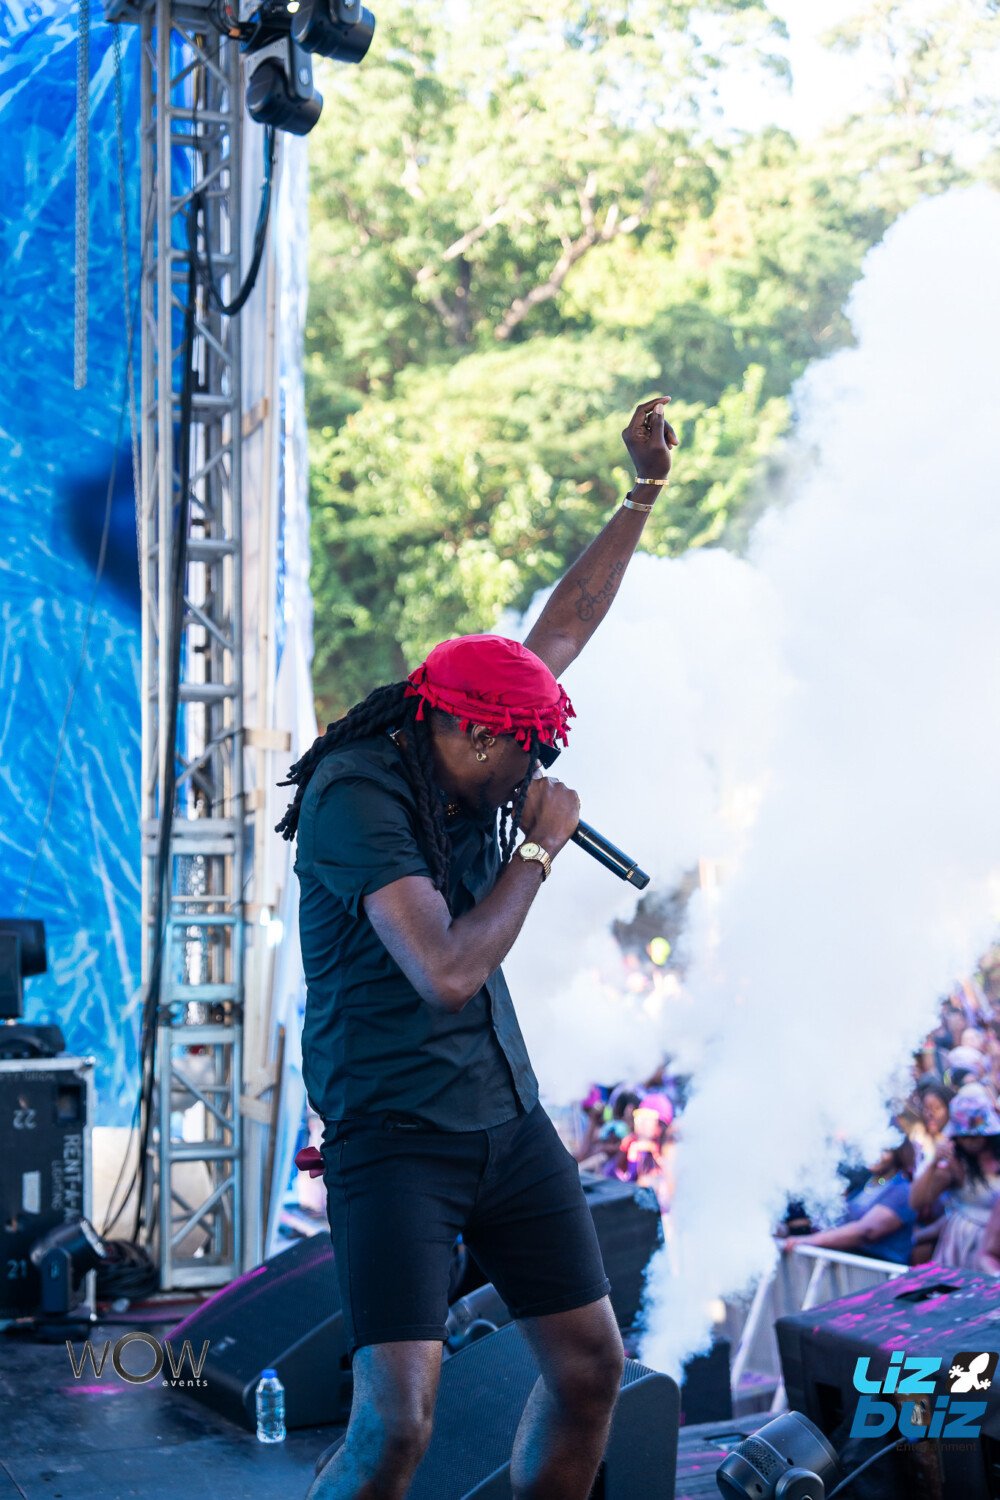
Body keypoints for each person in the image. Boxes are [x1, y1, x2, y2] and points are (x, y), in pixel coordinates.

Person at [280, 396, 678, 1500]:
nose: (530, 773)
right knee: (397, 1424)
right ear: (465, 732)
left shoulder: (475, 729)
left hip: (503, 1117)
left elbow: (562, 631)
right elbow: (447, 970)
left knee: (591, 1369)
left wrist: (641, 493)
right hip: (396, 1133)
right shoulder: (355, 793)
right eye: (522, 754)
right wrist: (537, 855)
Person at [779, 1141, 918, 1265]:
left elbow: (867, 1231)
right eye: (872, 1146)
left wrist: (810, 1240)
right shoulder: (866, 1184)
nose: (875, 1154)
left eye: (885, 1150)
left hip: (877, 1275)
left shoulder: (902, 1190)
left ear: (899, 1154)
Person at [909, 1083, 1000, 1269]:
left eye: (975, 1135)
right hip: (965, 1249)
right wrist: (933, 1162)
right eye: (964, 1135)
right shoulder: (954, 1164)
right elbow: (917, 1202)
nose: (970, 1141)